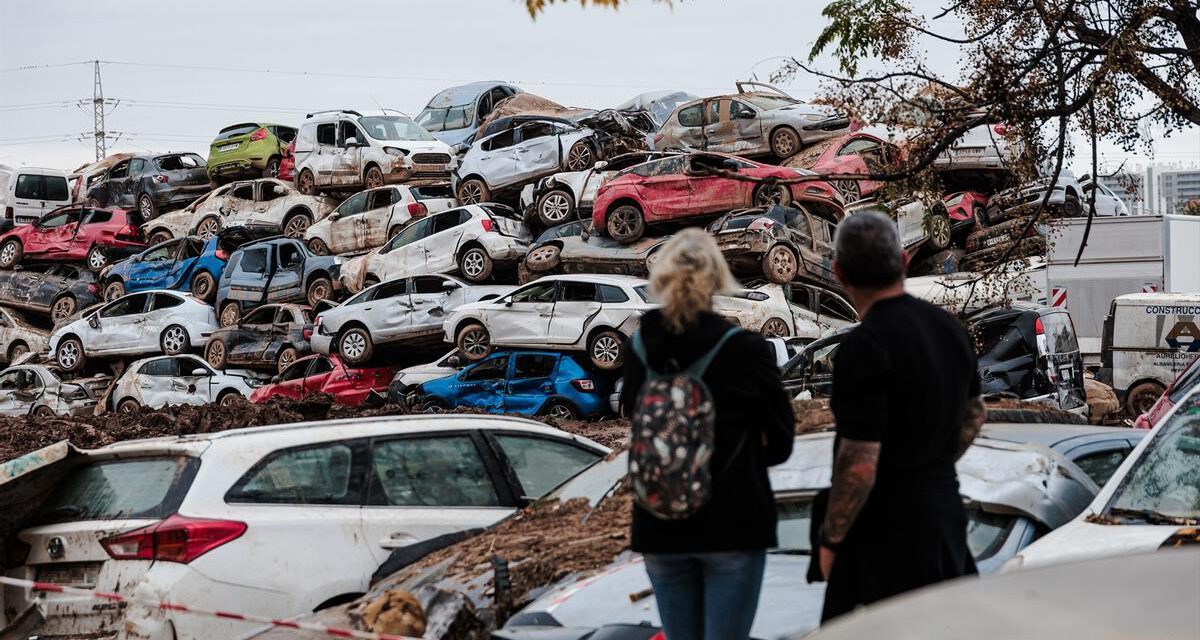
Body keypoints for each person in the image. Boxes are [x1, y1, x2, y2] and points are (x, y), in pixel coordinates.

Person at [620, 228, 796, 640]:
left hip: (660, 524)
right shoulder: (746, 349)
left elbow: (637, 423)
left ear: (661, 277)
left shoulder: (639, 348)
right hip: (732, 523)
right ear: (718, 278)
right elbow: (782, 443)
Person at [818, 211, 986, 621]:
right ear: (905, 261)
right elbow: (975, 414)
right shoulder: (950, 329)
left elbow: (860, 460)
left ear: (838, 272)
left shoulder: (864, 345)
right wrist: (931, 460)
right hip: (943, 516)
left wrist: (832, 539)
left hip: (882, 533)